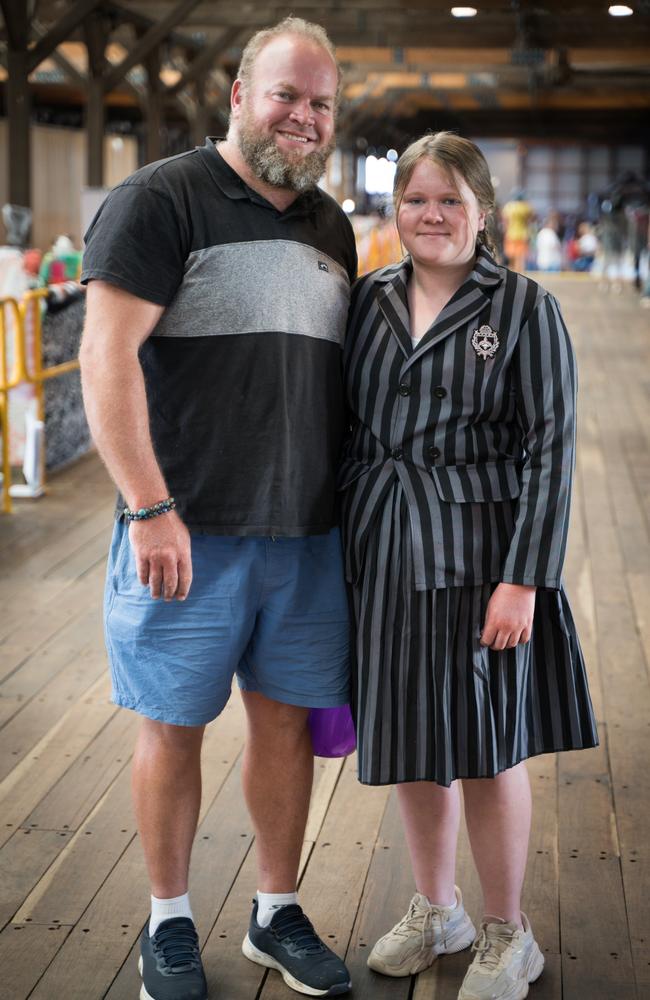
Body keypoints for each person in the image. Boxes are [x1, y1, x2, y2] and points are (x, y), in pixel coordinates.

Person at [79, 17, 356, 1000]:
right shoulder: (162, 199)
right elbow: (104, 357)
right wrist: (147, 504)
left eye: (321, 102)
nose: (304, 116)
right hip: (184, 532)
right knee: (172, 724)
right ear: (237, 95)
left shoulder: (329, 224)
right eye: (287, 94)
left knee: (284, 728)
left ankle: (274, 912)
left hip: (307, 535)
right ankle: (167, 922)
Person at [339, 133, 598, 1000]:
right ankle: (437, 906)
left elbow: (551, 452)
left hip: (485, 557)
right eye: (416, 198)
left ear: (482, 212)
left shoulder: (524, 308)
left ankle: (506, 929)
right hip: (385, 548)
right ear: (396, 208)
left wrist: (524, 578)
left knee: (488, 748)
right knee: (415, 740)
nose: (432, 215)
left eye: (450, 199)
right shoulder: (367, 298)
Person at [502, 189, 534, 273]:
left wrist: (505, 232)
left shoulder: (508, 206)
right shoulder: (526, 207)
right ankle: (520, 273)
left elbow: (505, 222)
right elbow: (530, 220)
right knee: (520, 256)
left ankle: (511, 273)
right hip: (523, 234)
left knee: (511, 256)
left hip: (510, 234)